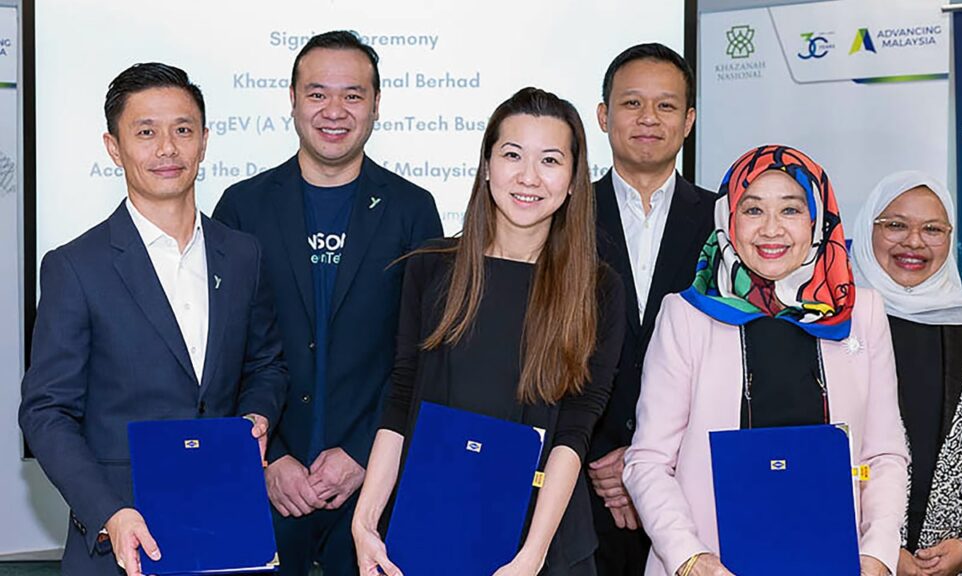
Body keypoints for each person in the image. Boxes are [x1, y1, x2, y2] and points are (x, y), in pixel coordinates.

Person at [19, 63, 288, 576]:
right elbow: (46, 412)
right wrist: (108, 512)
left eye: (183, 130)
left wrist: (257, 416)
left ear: (205, 141)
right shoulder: (75, 266)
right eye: (146, 132)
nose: (167, 148)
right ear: (114, 147)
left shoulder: (244, 254)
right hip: (121, 541)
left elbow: (267, 365)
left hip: (227, 532)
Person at [351, 87, 626, 576]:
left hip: (544, 542)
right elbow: (401, 400)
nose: (528, 177)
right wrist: (365, 521)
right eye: (512, 155)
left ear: (572, 180)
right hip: (429, 526)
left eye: (549, 160)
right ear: (486, 165)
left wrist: (532, 555)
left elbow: (575, 431)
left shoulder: (597, 287)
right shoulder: (432, 269)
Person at [213, 31, 442, 576]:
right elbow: (222, 355)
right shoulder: (241, 207)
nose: (334, 110)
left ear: (377, 105)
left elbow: (424, 354)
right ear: (291, 100)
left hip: (373, 488)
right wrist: (265, 459)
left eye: (353, 95)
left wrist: (365, 453)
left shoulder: (413, 210)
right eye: (317, 94)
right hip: (266, 486)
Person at [623, 145, 909, 576]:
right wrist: (690, 559)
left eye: (791, 210)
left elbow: (885, 452)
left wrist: (876, 556)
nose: (771, 229)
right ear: (729, 220)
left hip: (835, 563)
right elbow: (648, 461)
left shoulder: (860, 313)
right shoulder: (686, 314)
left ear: (816, 219)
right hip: (713, 564)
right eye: (753, 210)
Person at [850, 171, 962, 576]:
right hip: (851, 557)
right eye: (895, 225)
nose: (913, 242)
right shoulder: (833, 323)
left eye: (932, 229)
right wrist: (879, 548)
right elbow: (814, 444)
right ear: (866, 228)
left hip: (959, 562)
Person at [588, 43, 716, 576]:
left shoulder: (727, 221)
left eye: (666, 106)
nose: (648, 119)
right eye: (631, 103)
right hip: (580, 481)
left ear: (687, 121)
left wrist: (653, 460)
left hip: (692, 486)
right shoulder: (563, 215)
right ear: (603, 115)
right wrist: (601, 454)